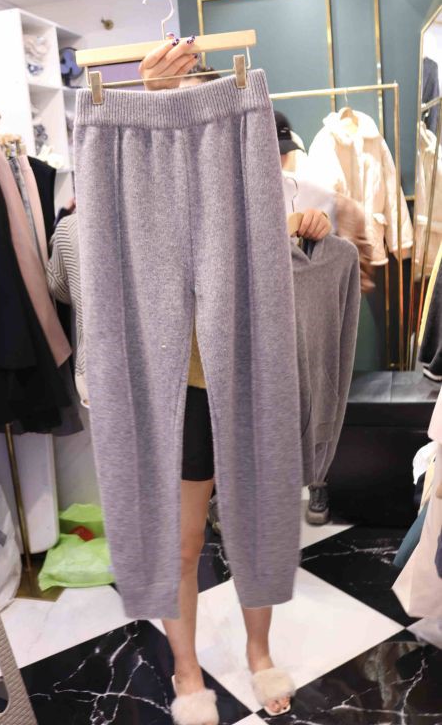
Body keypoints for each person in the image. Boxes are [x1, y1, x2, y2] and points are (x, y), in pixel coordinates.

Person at [138, 38, 333, 724]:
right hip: (181, 385)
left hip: (252, 372)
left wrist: (307, 227)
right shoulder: (148, 170)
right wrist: (152, 105)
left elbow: (300, 249)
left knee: (258, 524)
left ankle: (257, 649)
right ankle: (186, 668)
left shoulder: (271, 179)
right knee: (183, 539)